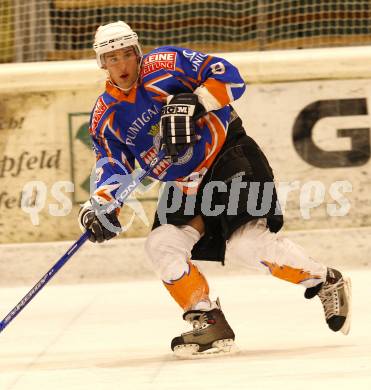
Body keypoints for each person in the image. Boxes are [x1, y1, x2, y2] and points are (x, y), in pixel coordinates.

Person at [78, 21, 351, 357]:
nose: (121, 65)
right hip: (186, 183)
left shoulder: (167, 64)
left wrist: (197, 102)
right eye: (112, 58)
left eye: (126, 55)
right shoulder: (106, 115)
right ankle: (208, 321)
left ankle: (325, 280)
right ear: (101, 63)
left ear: (138, 53)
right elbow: (112, 164)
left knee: (247, 245)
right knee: (161, 245)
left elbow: (232, 77)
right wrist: (101, 205)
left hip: (229, 156)